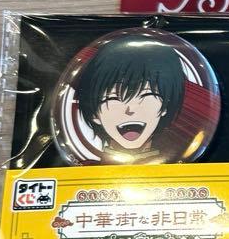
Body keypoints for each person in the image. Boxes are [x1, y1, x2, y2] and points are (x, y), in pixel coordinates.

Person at [73, 33, 185, 162]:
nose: (130, 110)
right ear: (95, 114)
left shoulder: (176, 164)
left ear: (165, 106)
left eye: (146, 94)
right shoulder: (85, 168)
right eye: (113, 98)